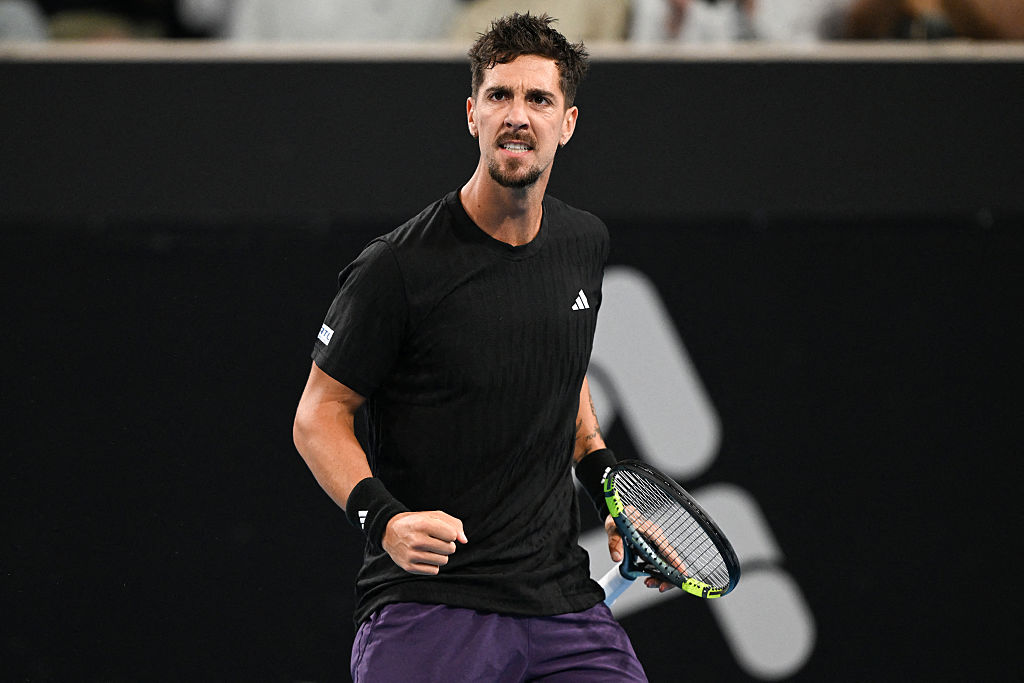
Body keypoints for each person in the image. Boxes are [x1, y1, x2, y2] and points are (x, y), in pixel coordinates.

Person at [292, 12, 666, 681]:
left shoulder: (583, 244)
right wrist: (384, 521)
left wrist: (612, 495)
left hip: (561, 605)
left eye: (538, 99)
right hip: (430, 605)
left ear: (568, 122)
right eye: (500, 96)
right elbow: (318, 413)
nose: (516, 115)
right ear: (472, 114)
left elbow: (564, 375)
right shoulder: (397, 268)